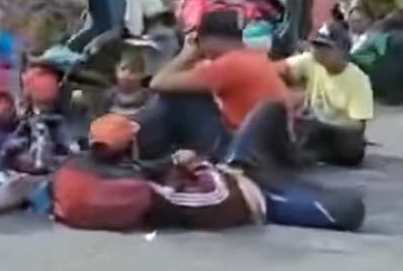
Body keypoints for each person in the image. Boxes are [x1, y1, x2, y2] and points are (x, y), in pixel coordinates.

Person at [135, 9, 289, 159]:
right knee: (192, 95)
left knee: (176, 99)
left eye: (200, 41)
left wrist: (186, 54)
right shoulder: (249, 57)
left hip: (242, 148)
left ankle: (138, 148)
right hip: (263, 146)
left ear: (211, 39)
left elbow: (158, 82)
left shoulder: (230, 64)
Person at [279, 22, 374, 167]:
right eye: (316, 46)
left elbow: (357, 126)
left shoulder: (358, 80)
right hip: (312, 131)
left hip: (339, 136)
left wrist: (322, 125)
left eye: (325, 47)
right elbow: (277, 70)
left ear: (342, 51)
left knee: (351, 148)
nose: (318, 51)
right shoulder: (310, 61)